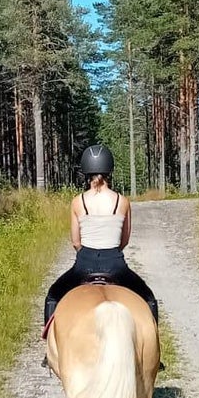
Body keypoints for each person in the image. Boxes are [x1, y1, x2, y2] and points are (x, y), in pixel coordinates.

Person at [43, 145, 159, 341]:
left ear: (85, 170)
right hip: (116, 265)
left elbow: (75, 241)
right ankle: (155, 347)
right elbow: (125, 240)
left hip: (84, 264)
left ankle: (49, 346)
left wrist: (89, 253)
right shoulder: (122, 201)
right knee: (148, 298)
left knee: (53, 295)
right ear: (109, 170)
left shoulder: (78, 201)